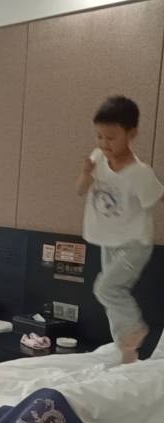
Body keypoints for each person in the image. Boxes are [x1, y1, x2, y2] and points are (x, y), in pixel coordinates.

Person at [76, 96, 164, 363]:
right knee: (112, 298)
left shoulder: (140, 173)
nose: (104, 144)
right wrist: (86, 173)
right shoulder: (97, 158)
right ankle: (126, 351)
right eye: (99, 136)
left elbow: (158, 197)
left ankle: (135, 331)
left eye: (111, 138)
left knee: (106, 289)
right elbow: (80, 190)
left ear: (132, 134)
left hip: (134, 244)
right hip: (109, 241)